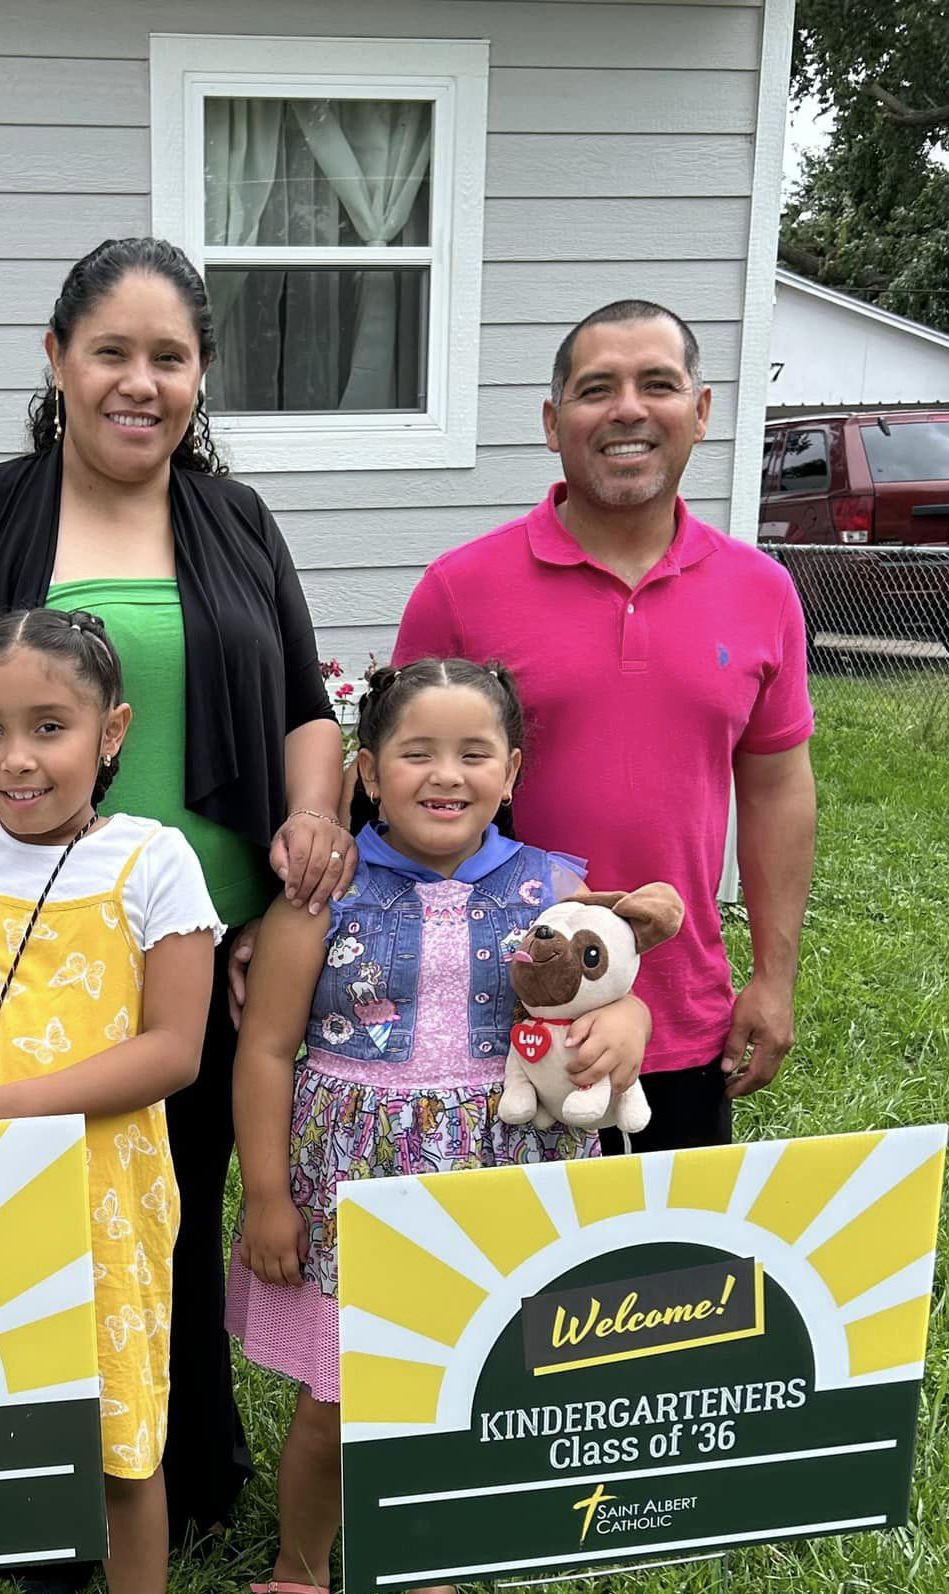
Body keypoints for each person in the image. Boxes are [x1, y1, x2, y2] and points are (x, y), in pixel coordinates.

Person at [0, 237, 352, 1537]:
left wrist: (309, 815)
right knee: (25, 1227)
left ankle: (174, 1470)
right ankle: (33, 1485)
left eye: (169, 358)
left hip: (205, 942)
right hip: (24, 955)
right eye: (112, 352)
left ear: (201, 377)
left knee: (164, 1214)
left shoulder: (234, 518)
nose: (141, 382)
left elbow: (304, 710)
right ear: (58, 358)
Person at [225, 658, 654, 1594]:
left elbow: (612, 989)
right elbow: (263, 1052)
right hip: (352, 1188)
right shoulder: (317, 896)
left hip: (504, 1183)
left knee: (469, 1392)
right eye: (416, 753)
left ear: (513, 771)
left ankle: (430, 1562)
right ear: (370, 772)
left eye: (473, 752)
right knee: (332, 1403)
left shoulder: (560, 890)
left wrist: (629, 1022)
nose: (445, 775)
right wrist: (265, 1196)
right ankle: (301, 1570)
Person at [394, 300, 817, 1153]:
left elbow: (776, 790)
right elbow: (396, 803)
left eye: (657, 384)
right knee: (494, 1280)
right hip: (494, 1022)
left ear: (700, 413)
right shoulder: (460, 591)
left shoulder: (761, 592)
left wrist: (774, 979)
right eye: (597, 390)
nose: (628, 409)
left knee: (664, 1280)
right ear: (554, 424)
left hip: (681, 1018)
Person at [0, 608, 220, 1594]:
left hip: (107, 1194)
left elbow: (173, 1049)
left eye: (49, 727)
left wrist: (3, 1109)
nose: (18, 758)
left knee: (119, 1435)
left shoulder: (154, 862)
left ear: (112, 730)